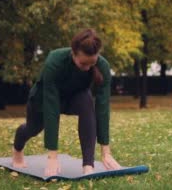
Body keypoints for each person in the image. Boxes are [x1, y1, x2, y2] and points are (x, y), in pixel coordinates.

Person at [11, 29, 121, 176]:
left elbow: (102, 108)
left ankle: (88, 165)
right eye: (83, 64)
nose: (87, 68)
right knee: (33, 128)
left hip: (73, 98)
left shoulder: (103, 66)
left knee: (87, 101)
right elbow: (51, 107)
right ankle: (17, 149)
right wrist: (52, 156)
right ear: (73, 53)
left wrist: (106, 151)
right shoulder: (55, 60)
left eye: (91, 63)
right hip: (43, 99)